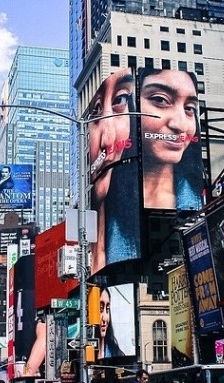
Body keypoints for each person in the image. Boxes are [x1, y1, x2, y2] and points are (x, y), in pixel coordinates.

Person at [87, 67, 139, 273]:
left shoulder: (127, 244)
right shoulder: (86, 252)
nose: (107, 139)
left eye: (120, 100)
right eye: (97, 109)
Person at [139, 68, 203, 211]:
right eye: (160, 100)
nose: (180, 125)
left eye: (189, 108)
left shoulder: (198, 201)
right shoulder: (108, 201)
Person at [97, 288, 125, 359]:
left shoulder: (118, 353)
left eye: (107, 309)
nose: (105, 318)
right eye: (100, 309)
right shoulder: (79, 355)